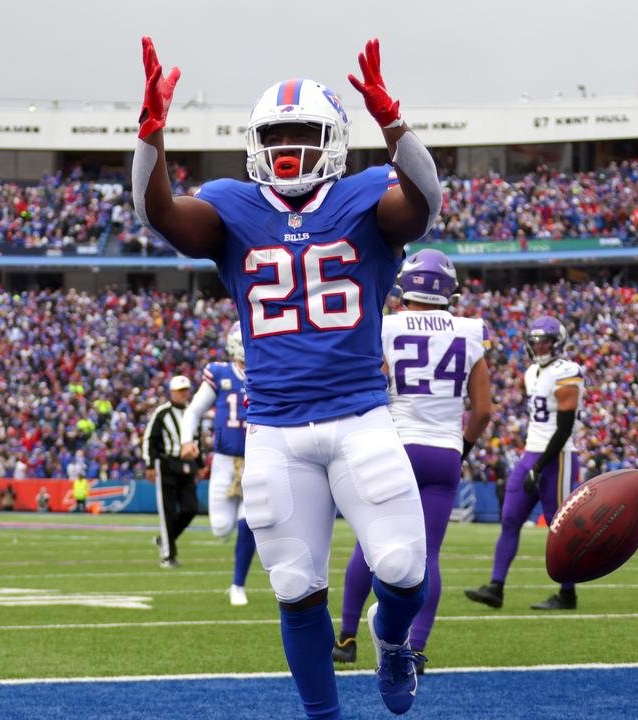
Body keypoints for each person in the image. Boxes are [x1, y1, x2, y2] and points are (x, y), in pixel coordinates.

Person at [134, 36, 442, 718]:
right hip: (274, 428)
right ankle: (323, 716)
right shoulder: (231, 207)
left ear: (332, 140)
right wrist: (149, 139)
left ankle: (393, 644)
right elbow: (160, 216)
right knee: (297, 585)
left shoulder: (366, 196)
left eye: (304, 134)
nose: (289, 148)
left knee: (402, 570)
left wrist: (397, 127)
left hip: (360, 415)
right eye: (277, 135)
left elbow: (424, 205)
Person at [334, 249, 493, 672]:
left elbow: (371, 383)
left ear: (407, 284)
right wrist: (462, 447)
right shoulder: (469, 330)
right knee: (429, 557)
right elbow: (483, 410)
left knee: (369, 545)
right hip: (443, 452)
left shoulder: (386, 325)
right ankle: (415, 648)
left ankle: (347, 638)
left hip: (397, 445)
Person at [466, 316, 584, 611]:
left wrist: (540, 465)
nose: (540, 346)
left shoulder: (567, 371)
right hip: (531, 453)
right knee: (509, 518)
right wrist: (531, 461)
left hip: (557, 456)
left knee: (560, 527)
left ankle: (567, 594)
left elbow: (564, 428)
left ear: (558, 343)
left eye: (545, 341)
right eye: (536, 342)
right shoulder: (531, 372)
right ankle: (496, 587)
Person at [181, 321, 257, 607]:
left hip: (256, 458)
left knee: (248, 521)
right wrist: (187, 440)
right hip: (225, 459)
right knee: (221, 528)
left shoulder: (267, 372)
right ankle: (236, 524)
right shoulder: (221, 373)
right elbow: (194, 410)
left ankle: (238, 584)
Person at [142, 375, 199, 569]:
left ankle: (165, 539)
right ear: (172, 392)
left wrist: (199, 464)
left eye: (186, 390)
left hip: (187, 465)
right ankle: (168, 555)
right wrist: (150, 465)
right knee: (167, 511)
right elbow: (149, 438)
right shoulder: (162, 413)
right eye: (180, 391)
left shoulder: (192, 412)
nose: (184, 394)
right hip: (166, 465)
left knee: (191, 508)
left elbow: (196, 439)